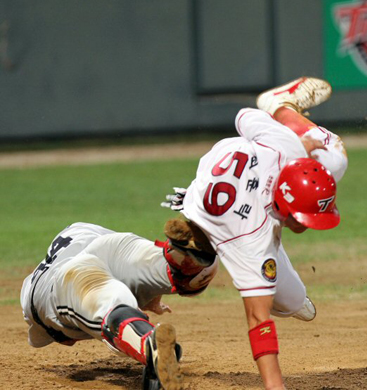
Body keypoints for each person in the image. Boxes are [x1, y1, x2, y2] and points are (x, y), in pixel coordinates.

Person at [162, 77, 348, 390]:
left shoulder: (283, 148)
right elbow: (259, 320)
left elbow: (243, 117)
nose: (309, 226)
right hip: (219, 217)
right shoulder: (253, 239)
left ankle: (281, 105)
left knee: (334, 162)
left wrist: (290, 141)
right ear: (285, 209)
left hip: (231, 190)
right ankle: (200, 247)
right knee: (289, 303)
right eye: (307, 218)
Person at [20, 220, 219, 390]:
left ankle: (150, 345)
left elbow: (70, 333)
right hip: (106, 241)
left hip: (63, 274)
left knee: (108, 299)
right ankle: (189, 254)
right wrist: (149, 296)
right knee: (159, 268)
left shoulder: (33, 299)